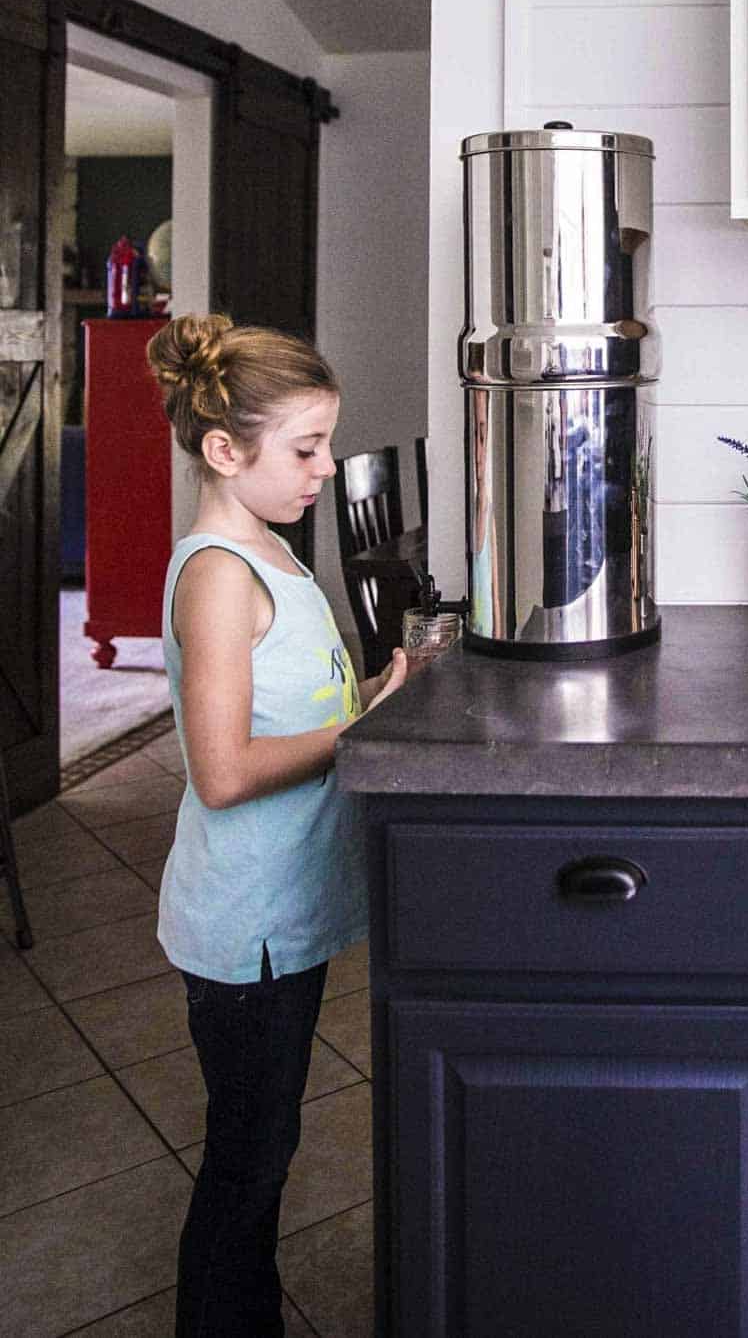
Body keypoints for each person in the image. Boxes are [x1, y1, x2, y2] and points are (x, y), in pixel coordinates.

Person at [147, 312, 406, 1338]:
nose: (325, 468)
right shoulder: (218, 574)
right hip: (242, 927)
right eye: (305, 448)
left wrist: (384, 690)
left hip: (282, 915)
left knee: (267, 1146)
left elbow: (299, 704)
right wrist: (363, 732)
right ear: (224, 449)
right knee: (247, 1163)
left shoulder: (272, 555)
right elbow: (221, 772)